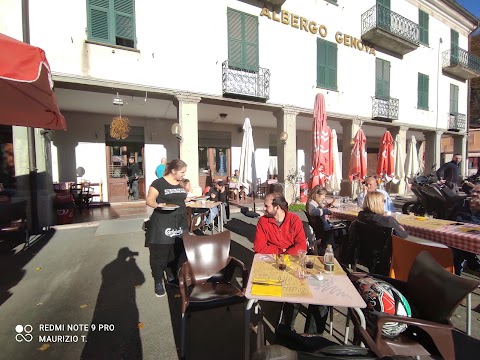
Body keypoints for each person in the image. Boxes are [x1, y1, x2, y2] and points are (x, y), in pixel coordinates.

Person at [253, 193, 328, 335]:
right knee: (294, 294)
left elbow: (301, 246)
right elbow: (259, 248)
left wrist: (283, 253)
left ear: (277, 207)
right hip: (275, 264)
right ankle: (285, 333)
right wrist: (282, 251)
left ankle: (312, 337)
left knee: (320, 296)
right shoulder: (263, 221)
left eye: (266, 206)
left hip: (295, 262)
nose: (263, 208)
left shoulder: (294, 220)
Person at [145, 159, 187, 297]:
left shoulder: (180, 182)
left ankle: (171, 275)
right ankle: (158, 281)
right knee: (159, 255)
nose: (183, 174)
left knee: (176, 252)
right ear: (173, 171)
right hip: (162, 223)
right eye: (182, 172)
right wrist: (159, 205)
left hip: (179, 222)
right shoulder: (158, 183)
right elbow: (150, 200)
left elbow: (181, 198)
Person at [449, 184, 480, 275]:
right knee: (455, 247)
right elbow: (448, 219)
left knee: (457, 248)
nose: (474, 194)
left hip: (475, 239)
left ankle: (471, 264)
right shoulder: (462, 204)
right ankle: (471, 264)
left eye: (478, 192)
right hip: (458, 237)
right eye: (473, 191)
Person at [306, 186, 344, 255]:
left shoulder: (313, 203)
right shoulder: (311, 204)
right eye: (323, 195)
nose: (324, 197)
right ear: (317, 195)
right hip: (325, 230)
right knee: (345, 230)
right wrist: (327, 211)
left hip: (324, 229)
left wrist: (325, 208)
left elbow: (319, 211)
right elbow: (313, 212)